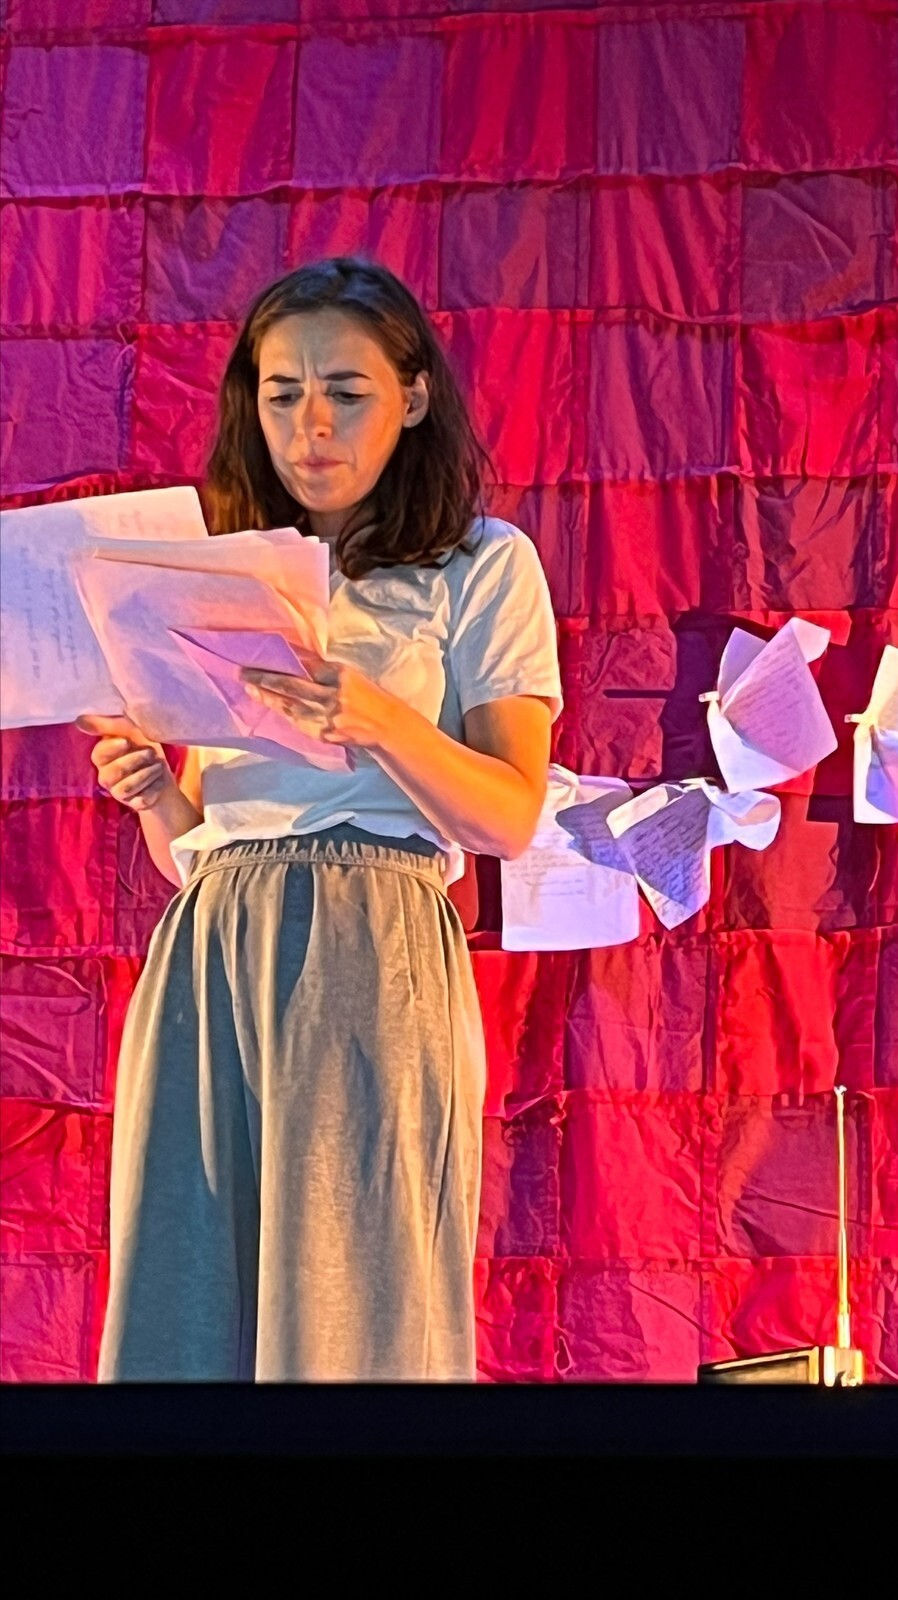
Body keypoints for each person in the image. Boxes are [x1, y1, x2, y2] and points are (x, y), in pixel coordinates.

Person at [79, 258, 562, 1380]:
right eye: (282, 392)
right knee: (187, 1282)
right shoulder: (227, 564)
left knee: (353, 1293)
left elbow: (508, 815)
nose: (312, 425)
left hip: (370, 934)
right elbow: (206, 840)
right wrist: (158, 795)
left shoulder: (481, 563)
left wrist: (381, 720)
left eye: (346, 391)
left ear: (413, 397)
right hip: (214, 936)